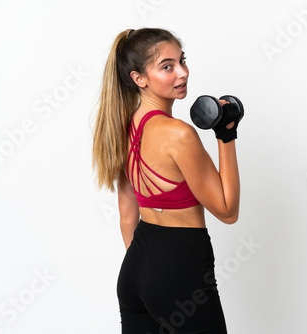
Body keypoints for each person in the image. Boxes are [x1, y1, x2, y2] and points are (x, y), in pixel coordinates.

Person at [92, 28, 240, 334]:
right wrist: (226, 134)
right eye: (167, 66)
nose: (182, 73)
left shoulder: (122, 127)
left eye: (182, 61)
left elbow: (127, 215)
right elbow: (227, 211)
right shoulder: (179, 135)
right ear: (139, 78)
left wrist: (148, 272)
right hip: (180, 269)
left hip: (135, 270)